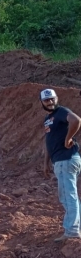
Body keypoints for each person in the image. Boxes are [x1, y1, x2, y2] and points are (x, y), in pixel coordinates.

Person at [40, 89, 81, 242]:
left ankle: (72, 231)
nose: (49, 102)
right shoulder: (48, 119)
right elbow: (48, 142)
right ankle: (76, 227)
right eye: (46, 100)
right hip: (61, 160)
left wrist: (68, 139)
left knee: (67, 195)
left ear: (56, 99)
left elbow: (76, 120)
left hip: (66, 158)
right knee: (71, 195)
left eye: (51, 99)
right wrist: (46, 163)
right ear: (42, 102)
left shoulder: (61, 111)